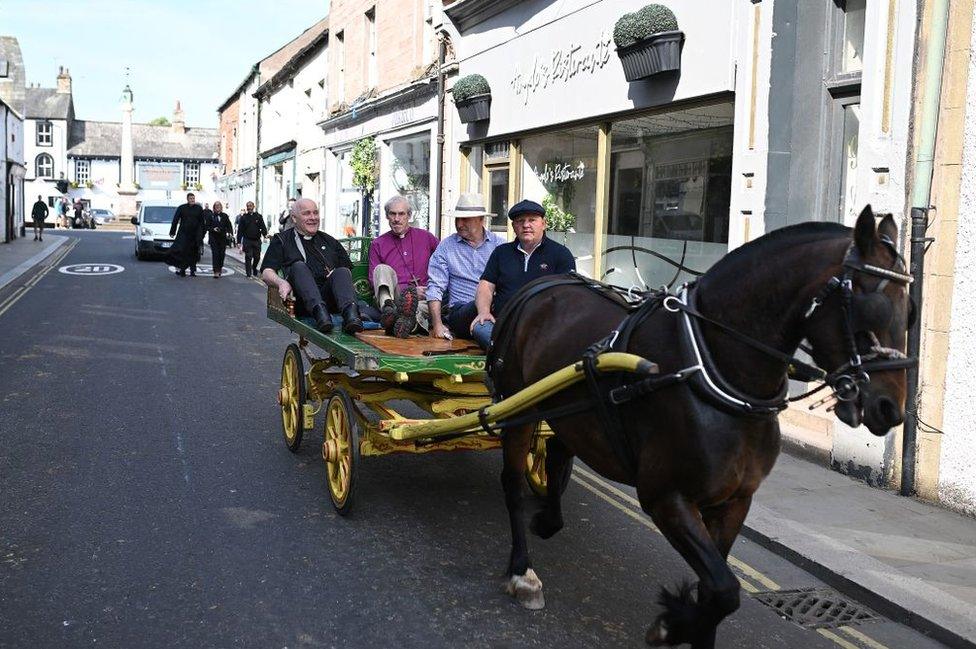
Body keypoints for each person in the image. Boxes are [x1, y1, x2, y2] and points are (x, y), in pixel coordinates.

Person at [471, 199, 576, 350]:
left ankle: (510, 354)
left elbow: (569, 296)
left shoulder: (560, 254)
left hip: (543, 327)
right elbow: (486, 285)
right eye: (520, 221)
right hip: (504, 324)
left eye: (532, 220)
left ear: (544, 224)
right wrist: (484, 312)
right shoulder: (501, 253)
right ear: (514, 226)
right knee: (480, 328)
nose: (526, 225)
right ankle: (519, 354)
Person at [261, 198, 364, 335]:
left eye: (315, 213)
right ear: (294, 218)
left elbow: (346, 272)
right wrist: (281, 283)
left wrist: (334, 273)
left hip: (330, 299)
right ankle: (320, 314)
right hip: (302, 300)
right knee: (298, 266)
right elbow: (266, 272)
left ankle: (351, 316)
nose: (313, 217)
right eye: (307, 213)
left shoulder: (329, 240)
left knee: (342, 271)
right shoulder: (282, 240)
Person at [426, 193, 504, 348]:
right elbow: (435, 286)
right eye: (457, 219)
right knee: (481, 303)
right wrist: (437, 325)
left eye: (465, 219)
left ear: (481, 219)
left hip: (494, 311)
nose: (459, 223)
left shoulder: (499, 245)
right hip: (461, 312)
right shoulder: (447, 247)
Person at [367, 196, 439, 338]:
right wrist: (409, 291)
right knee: (381, 269)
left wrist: (431, 288)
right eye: (392, 214)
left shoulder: (427, 237)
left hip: (423, 298)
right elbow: (372, 279)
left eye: (401, 214)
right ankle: (388, 309)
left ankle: (402, 322)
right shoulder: (378, 243)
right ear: (387, 216)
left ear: (409, 215)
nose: (396, 218)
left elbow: (444, 264)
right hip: (394, 295)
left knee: (418, 308)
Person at [167, 192, 206, 276]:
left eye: (193, 198)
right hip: (184, 233)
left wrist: (202, 233)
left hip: (195, 234)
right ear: (187, 199)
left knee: (194, 252)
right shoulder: (182, 208)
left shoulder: (198, 208)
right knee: (183, 252)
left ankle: (192, 271)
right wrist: (172, 231)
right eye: (191, 198)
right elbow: (175, 220)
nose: (192, 200)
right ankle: (182, 270)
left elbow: (202, 222)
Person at [237, 201, 267, 277]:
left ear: (254, 207)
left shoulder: (258, 216)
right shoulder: (243, 217)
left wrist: (265, 235)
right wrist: (239, 242)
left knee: (257, 257)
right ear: (246, 208)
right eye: (248, 206)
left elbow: (263, 227)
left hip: (257, 240)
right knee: (248, 256)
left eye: (251, 206)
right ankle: (248, 273)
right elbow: (240, 230)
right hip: (247, 240)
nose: (249, 207)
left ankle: (254, 267)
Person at [206, 200, 234, 278]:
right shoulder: (210, 216)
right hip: (213, 238)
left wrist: (230, 233)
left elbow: (229, 225)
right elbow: (207, 226)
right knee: (215, 254)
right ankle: (216, 271)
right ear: (214, 208)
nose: (218, 207)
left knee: (222, 254)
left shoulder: (224, 216)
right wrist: (213, 229)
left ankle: (220, 267)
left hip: (222, 238)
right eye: (216, 206)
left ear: (221, 207)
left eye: (219, 206)